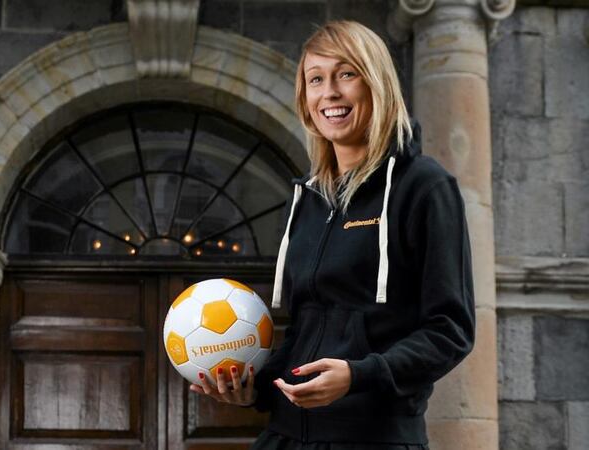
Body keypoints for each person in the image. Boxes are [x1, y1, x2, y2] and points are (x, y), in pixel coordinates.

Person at [189, 20, 476, 449]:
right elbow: (305, 331)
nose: (331, 93)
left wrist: (360, 374)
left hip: (374, 438)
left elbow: (450, 329)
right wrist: (256, 388)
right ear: (305, 100)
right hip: (285, 435)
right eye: (316, 80)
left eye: (347, 74)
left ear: (376, 84)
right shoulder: (307, 198)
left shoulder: (425, 188)